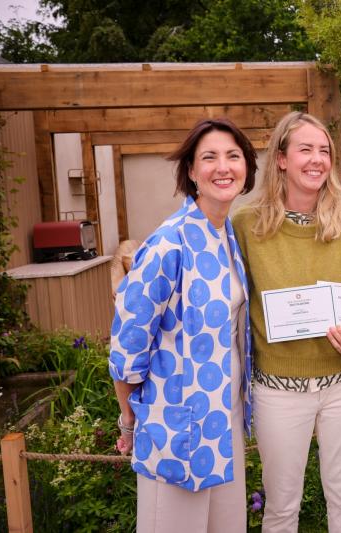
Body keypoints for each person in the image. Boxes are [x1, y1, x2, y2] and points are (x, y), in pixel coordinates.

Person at [109, 117, 257, 532]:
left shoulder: (227, 236)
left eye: (233, 155)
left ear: (247, 166)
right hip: (174, 428)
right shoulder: (167, 243)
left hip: (223, 422)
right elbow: (127, 348)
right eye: (209, 157)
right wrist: (129, 421)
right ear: (191, 171)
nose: (223, 167)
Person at [232, 111, 341, 533]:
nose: (317, 160)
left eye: (324, 150)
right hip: (277, 389)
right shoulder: (246, 225)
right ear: (280, 159)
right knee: (280, 504)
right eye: (305, 149)